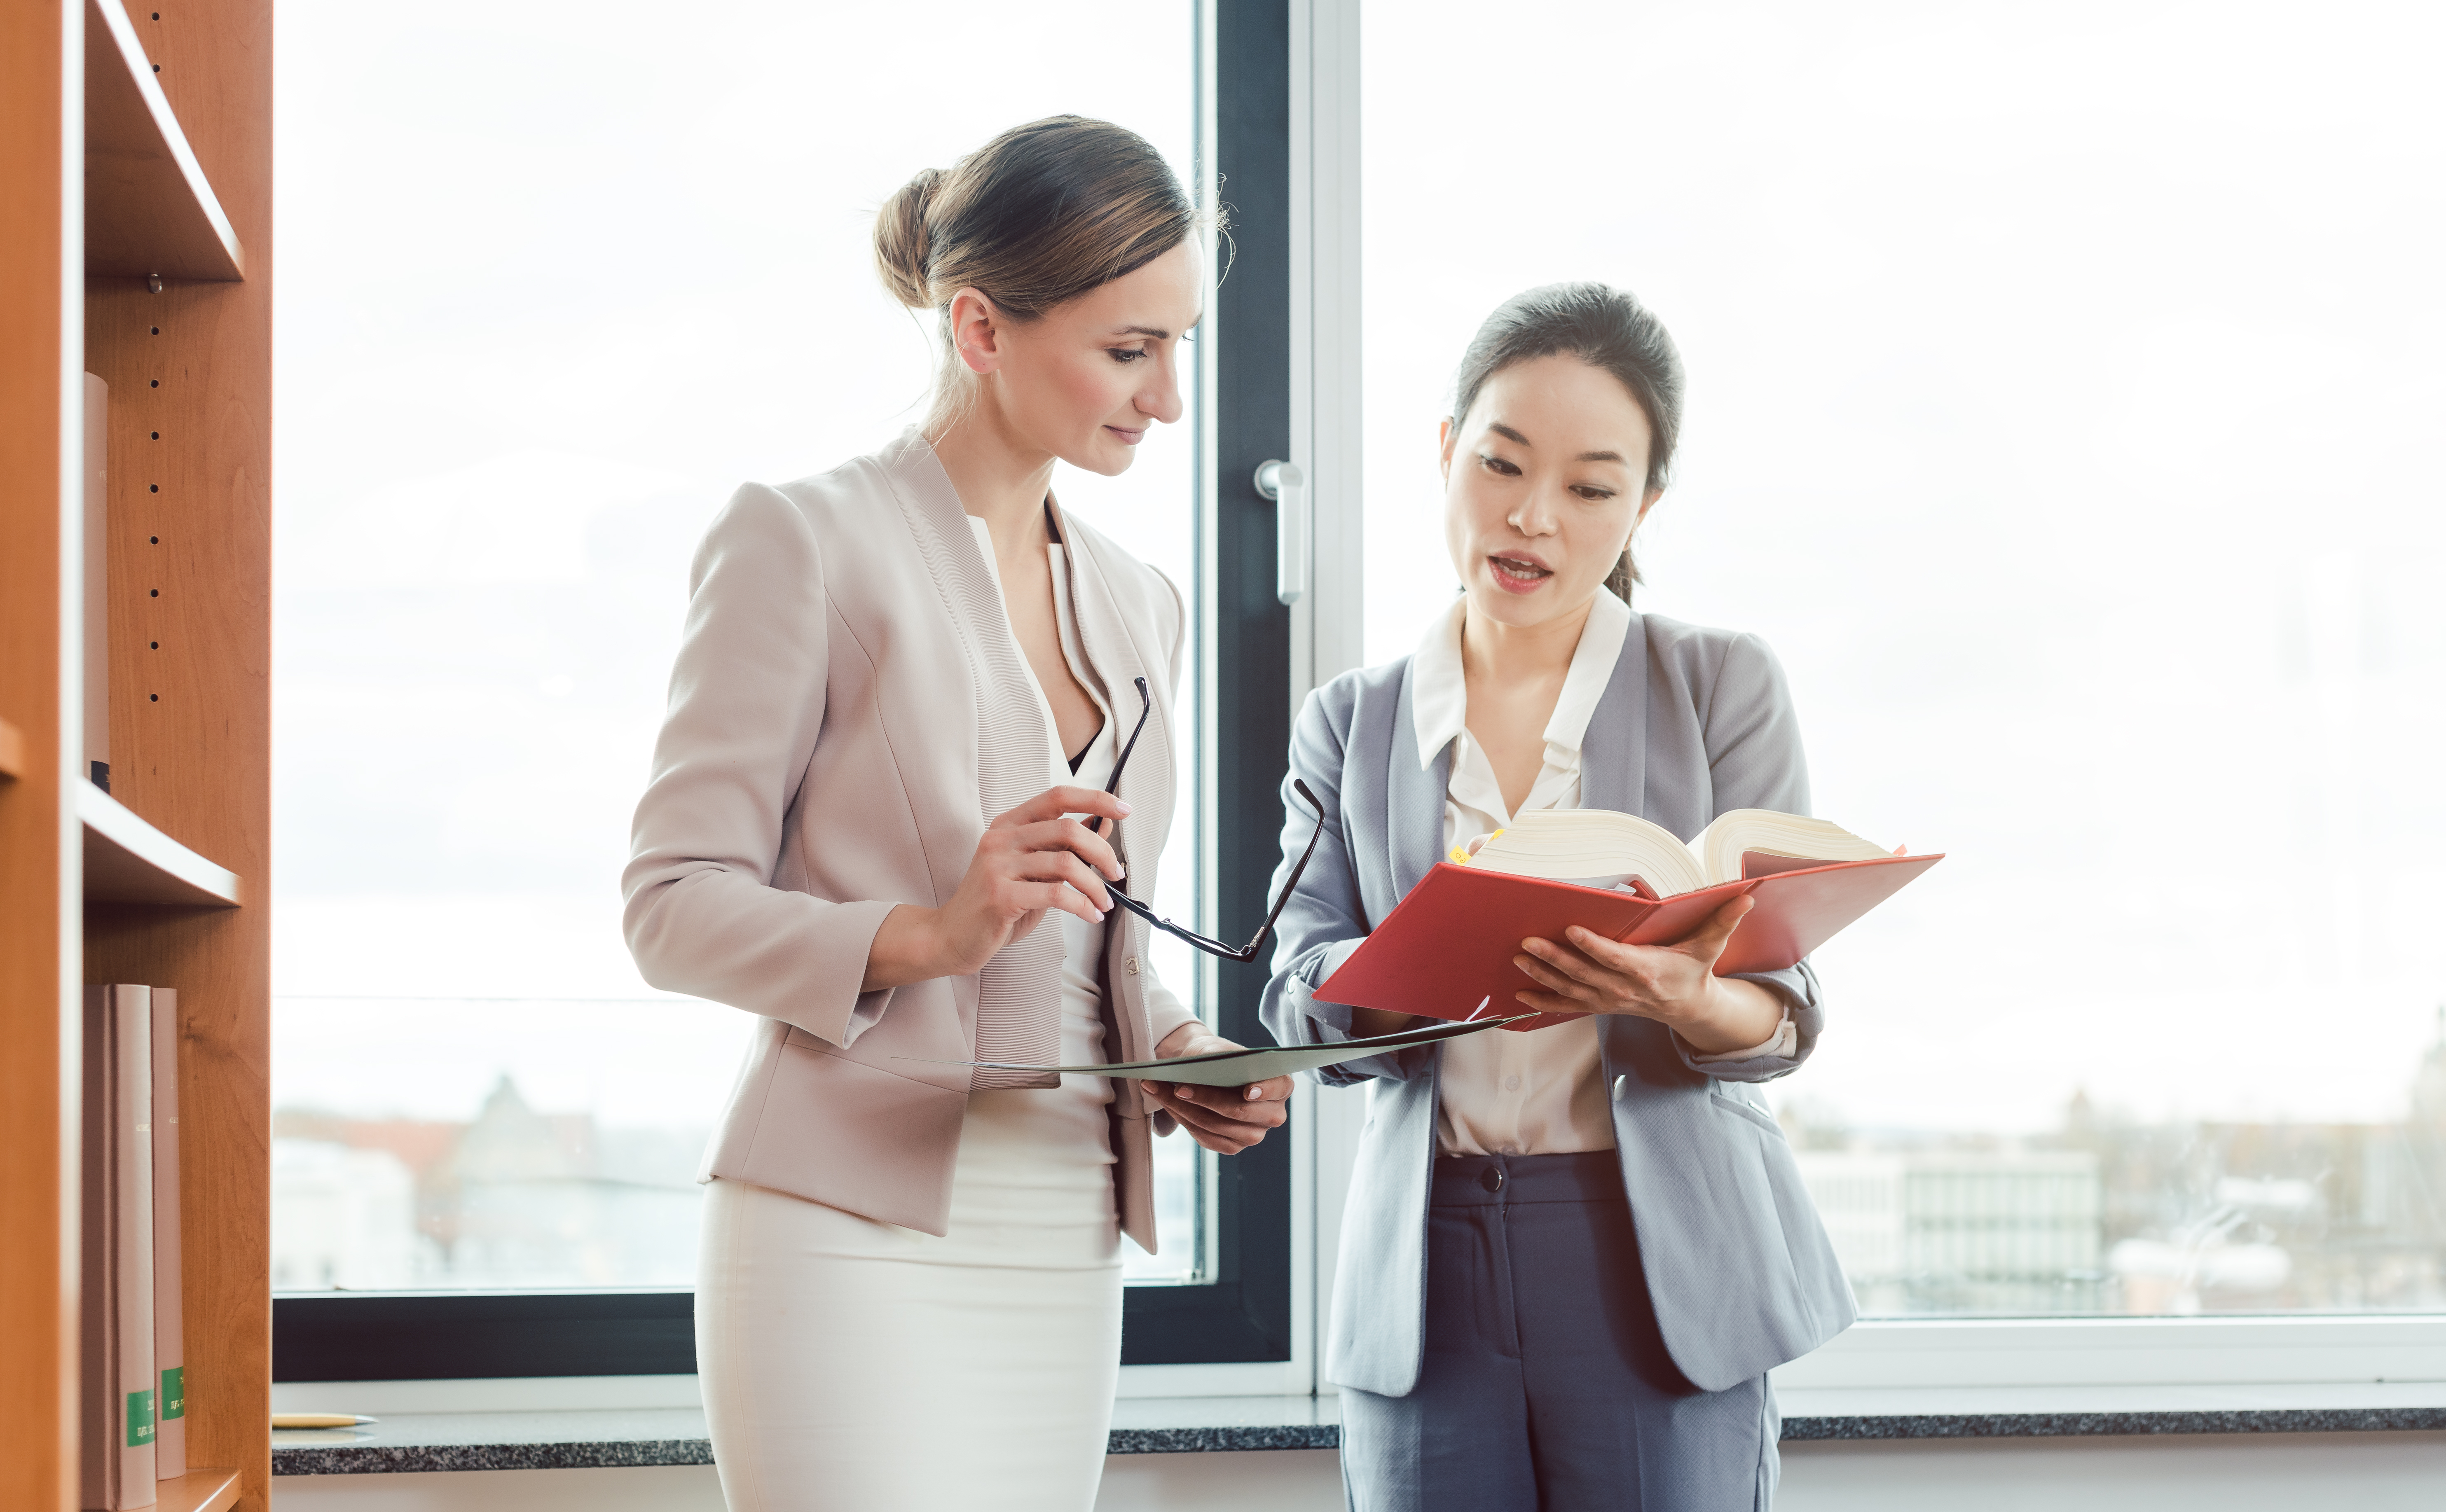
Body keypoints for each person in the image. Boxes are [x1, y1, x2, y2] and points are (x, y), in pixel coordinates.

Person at [621, 116, 1292, 1511]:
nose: (1168, 400)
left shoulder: (1138, 599)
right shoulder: (801, 539)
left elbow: (1090, 923)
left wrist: (1173, 1046)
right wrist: (931, 934)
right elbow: (670, 907)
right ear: (980, 329)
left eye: (1180, 346)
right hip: (841, 1219)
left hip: (1065, 1223)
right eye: (1129, 350)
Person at [1260, 283, 1855, 1510]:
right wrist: (1403, 973)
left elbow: (1782, 1011)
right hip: (1425, 1270)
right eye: (1500, 464)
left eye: (1591, 487)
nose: (1532, 517)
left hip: (1657, 1258)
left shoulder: (1719, 686)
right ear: (1445, 452)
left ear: (1643, 505)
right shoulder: (1351, 720)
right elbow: (1293, 985)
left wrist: (1689, 998)